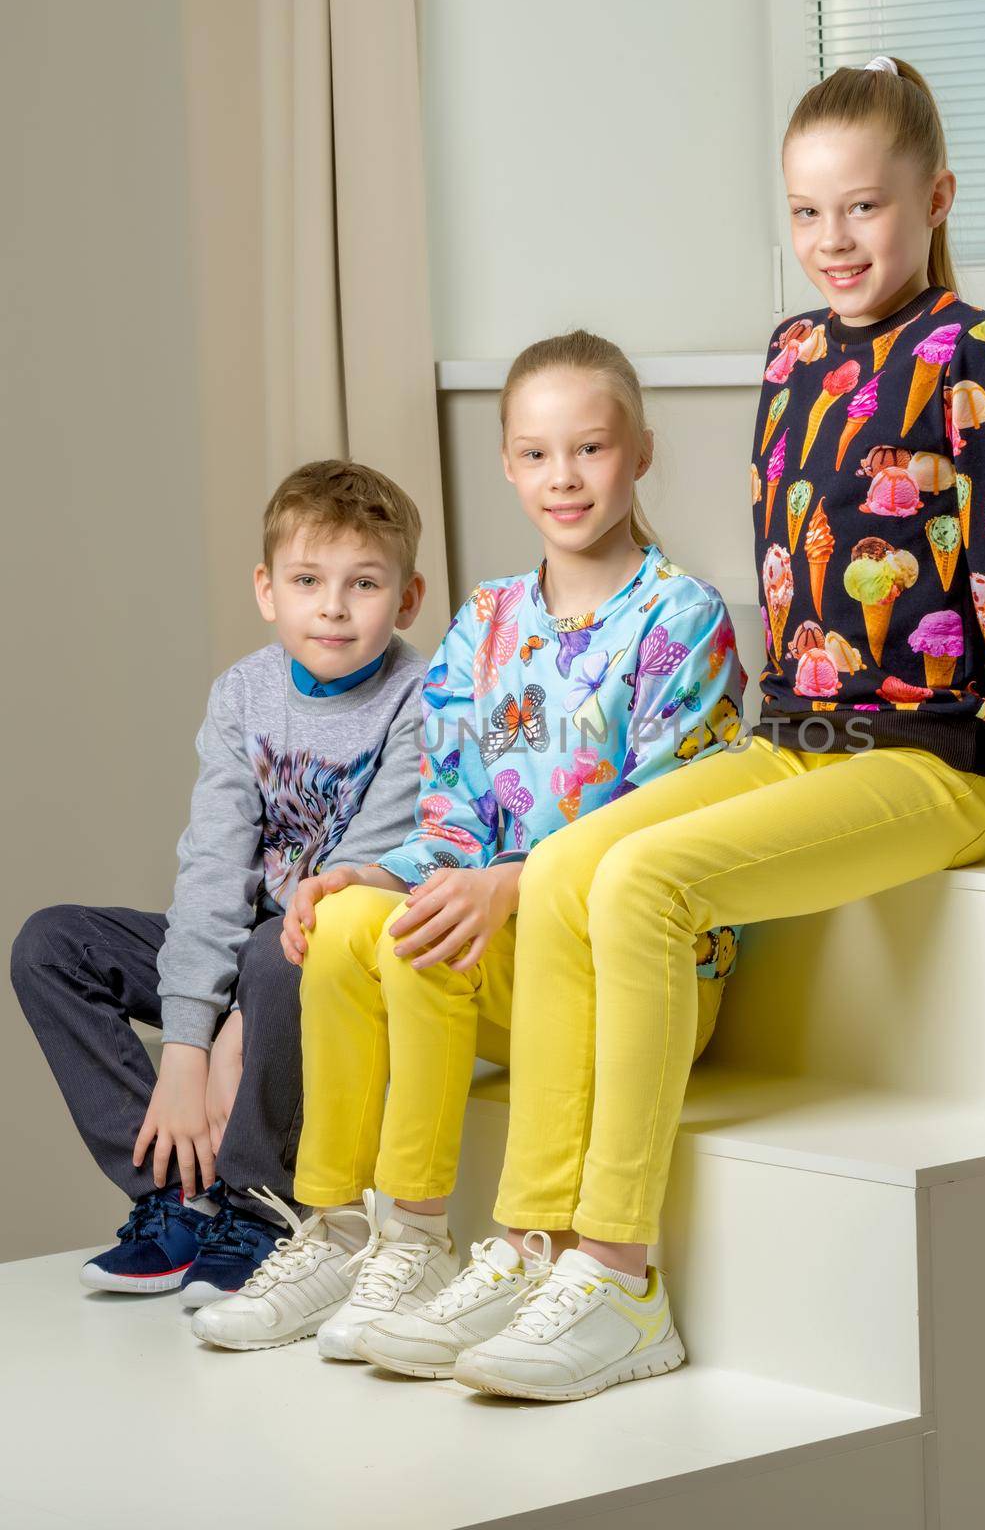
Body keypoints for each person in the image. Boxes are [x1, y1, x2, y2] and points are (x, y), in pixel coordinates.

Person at [423, 55, 985, 1403]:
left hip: (932, 766)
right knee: (571, 863)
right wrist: (743, 752)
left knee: (643, 881)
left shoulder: (978, 354)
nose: (834, 243)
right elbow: (789, 564)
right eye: (807, 215)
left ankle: (620, 1278)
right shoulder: (791, 351)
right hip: (793, 736)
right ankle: (528, 1241)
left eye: (863, 209)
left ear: (934, 200)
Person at [189, 330, 746, 1360]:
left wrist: (517, 884)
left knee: (455, 925)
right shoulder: (486, 622)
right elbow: (448, 820)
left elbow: (671, 825)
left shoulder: (680, 620)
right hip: (503, 970)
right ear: (504, 462)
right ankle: (368, 1235)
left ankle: (470, 1238)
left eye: (589, 449)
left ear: (640, 452)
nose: (562, 477)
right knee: (356, 918)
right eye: (535, 454)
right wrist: (365, 869)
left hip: (637, 974)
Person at [11, 460, 429, 1301]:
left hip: (334, 947)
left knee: (282, 955)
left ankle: (257, 1201)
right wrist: (186, 1051)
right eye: (308, 580)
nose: (334, 607)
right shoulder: (243, 694)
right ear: (268, 589)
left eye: (364, 583)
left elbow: (363, 879)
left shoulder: (421, 697)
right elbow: (214, 863)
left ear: (409, 598)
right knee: (50, 944)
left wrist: (230, 1019)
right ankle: (178, 1193)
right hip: (245, 946)